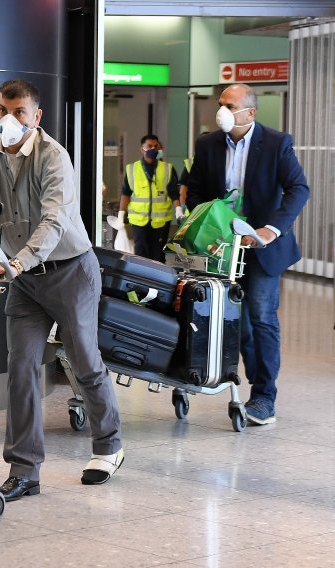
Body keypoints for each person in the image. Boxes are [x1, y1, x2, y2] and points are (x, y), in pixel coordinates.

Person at [0, 79, 123, 501]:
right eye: (3, 110)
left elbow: (54, 220)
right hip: (22, 279)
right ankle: (25, 470)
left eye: (20, 112)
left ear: (36, 117)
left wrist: (19, 261)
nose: (9, 119)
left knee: (83, 361)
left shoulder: (54, 158)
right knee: (21, 367)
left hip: (69, 271)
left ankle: (108, 446)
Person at [186, 83, 310, 426]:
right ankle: (254, 383)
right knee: (237, 324)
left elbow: (299, 189)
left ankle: (264, 395)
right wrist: (210, 221)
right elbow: (194, 191)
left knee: (261, 315)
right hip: (223, 250)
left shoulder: (276, 143)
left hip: (263, 247)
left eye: (229, 105)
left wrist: (271, 230)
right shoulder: (208, 144)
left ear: (250, 112)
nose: (221, 110)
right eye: (220, 103)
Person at [117, 134, 182, 262]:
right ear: (142, 149)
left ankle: (156, 279)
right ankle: (141, 278)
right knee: (141, 251)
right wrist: (121, 215)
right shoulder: (132, 169)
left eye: (155, 146)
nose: (153, 149)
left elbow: (174, 192)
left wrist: (178, 209)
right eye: (149, 146)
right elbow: (126, 193)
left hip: (160, 221)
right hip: (138, 219)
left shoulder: (167, 169)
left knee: (157, 254)